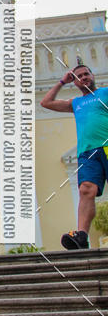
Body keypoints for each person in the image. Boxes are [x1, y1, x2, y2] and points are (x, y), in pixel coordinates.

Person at [40, 62, 108, 249]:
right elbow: (45, 102)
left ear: (92, 76)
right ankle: (81, 236)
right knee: (86, 189)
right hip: (87, 152)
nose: (84, 77)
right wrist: (62, 81)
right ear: (75, 82)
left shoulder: (104, 93)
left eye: (87, 74)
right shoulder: (75, 103)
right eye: (79, 76)